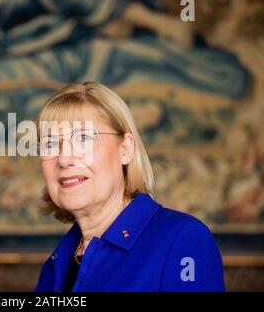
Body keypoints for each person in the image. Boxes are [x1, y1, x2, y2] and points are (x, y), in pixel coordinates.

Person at [35, 82, 225, 292]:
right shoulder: (56, 263)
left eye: (83, 138)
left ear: (125, 149)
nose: (64, 158)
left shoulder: (183, 240)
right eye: (50, 143)